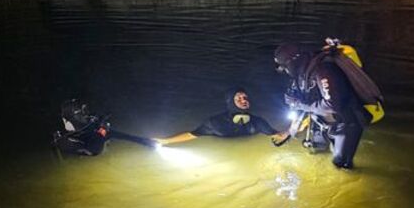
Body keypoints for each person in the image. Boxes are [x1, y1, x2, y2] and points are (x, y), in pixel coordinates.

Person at [273, 40, 379, 169]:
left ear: (294, 61)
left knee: (340, 166)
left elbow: (333, 105)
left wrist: (301, 105)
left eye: (285, 67)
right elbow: (299, 106)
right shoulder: (301, 76)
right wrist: (289, 132)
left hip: (345, 123)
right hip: (322, 121)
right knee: (317, 150)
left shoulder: (323, 69)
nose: (285, 71)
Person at [156, 87, 288, 146]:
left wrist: (300, 125)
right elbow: (192, 135)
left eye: (245, 97)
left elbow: (278, 136)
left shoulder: (257, 122)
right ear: (231, 102)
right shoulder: (215, 123)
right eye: (238, 98)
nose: (244, 100)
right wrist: (165, 141)